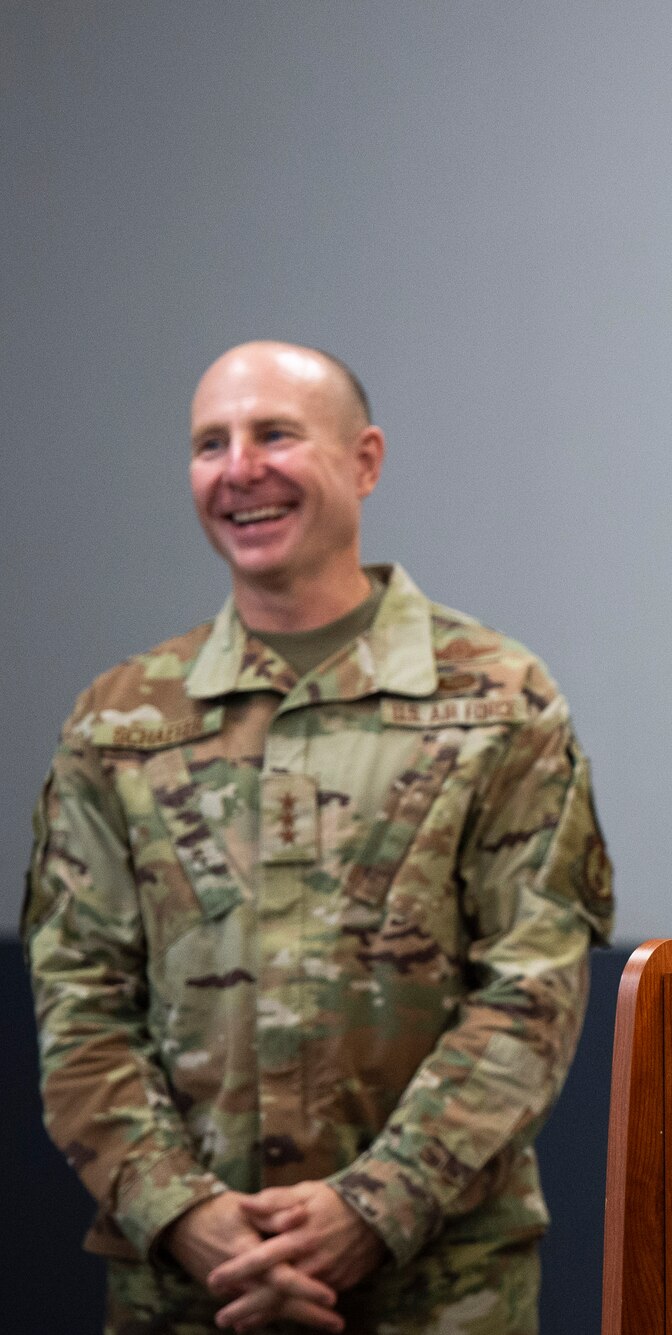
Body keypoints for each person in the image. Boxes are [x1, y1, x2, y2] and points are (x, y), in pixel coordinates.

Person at [23, 342, 614, 1333]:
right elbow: (78, 1002)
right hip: (186, 1294)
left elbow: (532, 991)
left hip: (438, 1291)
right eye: (210, 443)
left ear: (365, 461)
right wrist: (187, 1213)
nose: (239, 468)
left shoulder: (499, 701)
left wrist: (370, 1207)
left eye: (275, 435)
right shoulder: (118, 720)